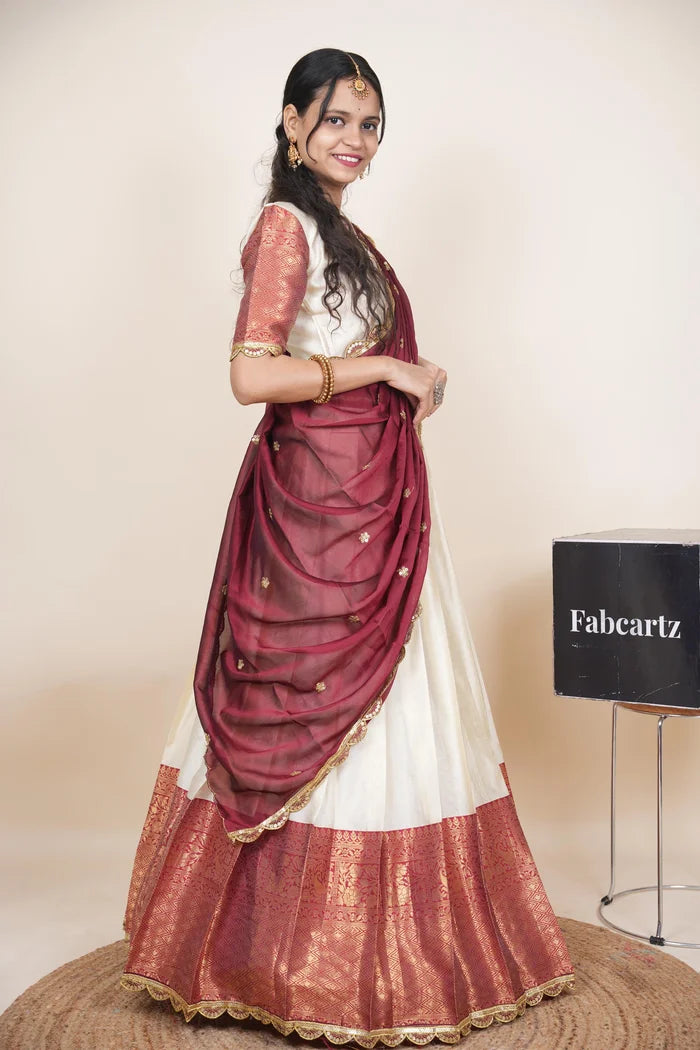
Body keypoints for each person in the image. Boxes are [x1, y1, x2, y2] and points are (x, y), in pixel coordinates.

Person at [120, 47, 575, 1046]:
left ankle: (374, 955)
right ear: (292, 123)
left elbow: (331, 351)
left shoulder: (340, 230)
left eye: (369, 123)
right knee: (310, 700)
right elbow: (252, 376)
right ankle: (283, 965)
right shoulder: (287, 227)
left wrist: (404, 377)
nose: (355, 139)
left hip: (371, 498)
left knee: (402, 706)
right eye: (335, 119)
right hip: (317, 511)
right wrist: (384, 371)